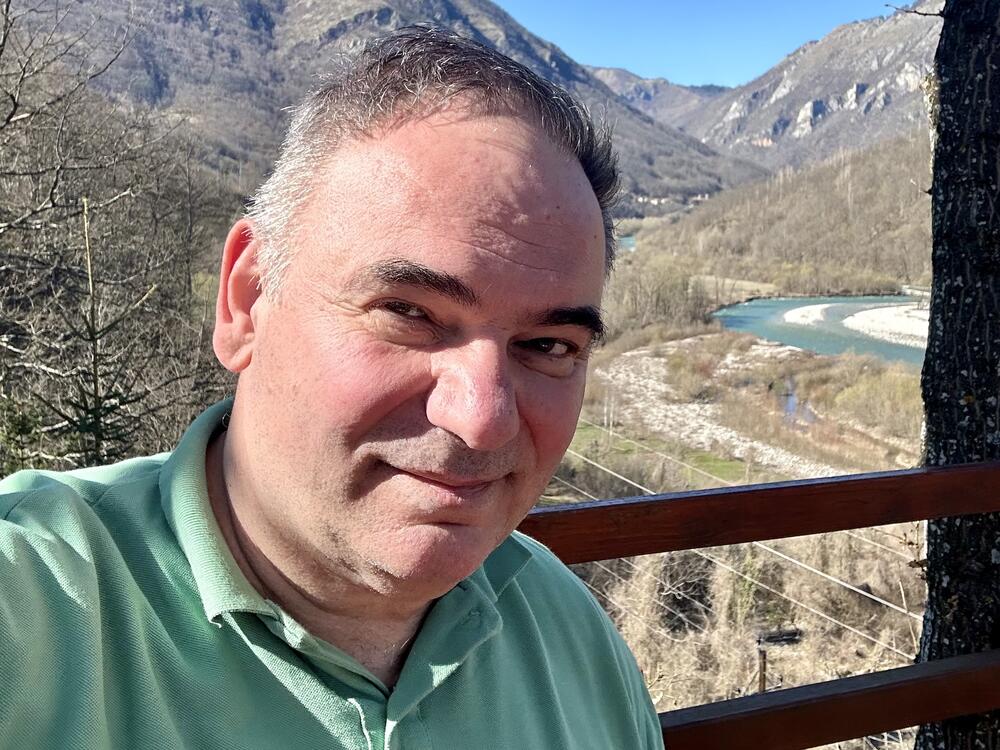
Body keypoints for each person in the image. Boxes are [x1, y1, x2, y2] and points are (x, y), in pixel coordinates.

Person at [0, 27, 664, 749]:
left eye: (547, 345)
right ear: (248, 300)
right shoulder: (35, 602)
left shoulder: (569, 634)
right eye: (409, 313)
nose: (482, 418)